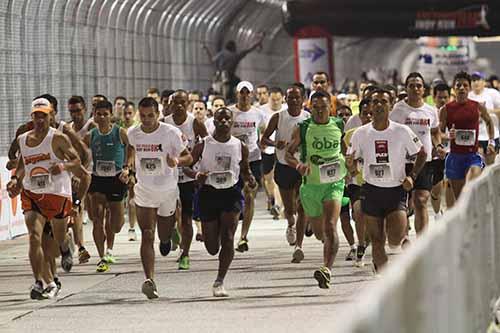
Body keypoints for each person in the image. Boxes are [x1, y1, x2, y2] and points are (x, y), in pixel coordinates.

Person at [7, 98, 90, 299]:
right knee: (35, 238)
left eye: (44, 115)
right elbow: (22, 164)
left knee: (59, 236)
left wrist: (62, 166)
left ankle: (65, 244)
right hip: (32, 193)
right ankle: (39, 282)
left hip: (57, 193)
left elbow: (77, 160)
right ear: (31, 117)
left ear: (51, 115)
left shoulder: (58, 138)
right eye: (36, 115)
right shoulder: (23, 139)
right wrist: (15, 179)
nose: (40, 119)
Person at [346, 88, 427, 272]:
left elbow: (421, 153)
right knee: (376, 239)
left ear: (390, 106)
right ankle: (382, 276)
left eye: (384, 101)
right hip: (371, 191)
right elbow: (351, 163)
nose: (379, 105)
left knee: (395, 239)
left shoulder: (401, 131)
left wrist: (412, 176)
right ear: (369, 108)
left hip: (396, 190)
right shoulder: (360, 133)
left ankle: (394, 245)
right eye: (375, 102)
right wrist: (350, 165)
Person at [126, 97, 192, 299]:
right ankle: (150, 280)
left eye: (151, 116)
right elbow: (130, 153)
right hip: (144, 190)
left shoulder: (170, 132)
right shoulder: (133, 133)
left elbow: (188, 157)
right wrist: (127, 169)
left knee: (163, 237)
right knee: (147, 233)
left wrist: (176, 161)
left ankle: (170, 233)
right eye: (143, 116)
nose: (146, 120)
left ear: (158, 114)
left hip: (167, 190)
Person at [188, 107, 256, 297]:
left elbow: (245, 169)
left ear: (232, 122)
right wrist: (196, 175)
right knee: (212, 247)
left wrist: (250, 178)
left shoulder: (239, 146)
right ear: (214, 121)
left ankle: (219, 281)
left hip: (231, 193)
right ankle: (212, 235)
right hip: (208, 193)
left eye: (227, 119)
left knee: (228, 237)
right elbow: (187, 167)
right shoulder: (203, 145)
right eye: (220, 119)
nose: (224, 122)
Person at [286, 90, 346, 289]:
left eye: (324, 107)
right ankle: (316, 229)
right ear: (309, 108)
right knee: (321, 234)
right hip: (311, 187)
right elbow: (288, 154)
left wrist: (352, 162)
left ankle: (326, 269)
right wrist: (298, 165)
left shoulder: (338, 124)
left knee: (331, 226)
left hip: (334, 183)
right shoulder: (303, 128)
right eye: (316, 108)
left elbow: (347, 150)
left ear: (331, 107)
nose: (320, 111)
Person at [390, 72, 443, 235]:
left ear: (424, 89)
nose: (415, 88)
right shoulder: (398, 110)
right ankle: (404, 236)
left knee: (421, 200)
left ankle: (422, 243)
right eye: (411, 85)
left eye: (418, 85)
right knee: (402, 204)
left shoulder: (431, 110)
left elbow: (434, 132)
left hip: (424, 162)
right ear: (406, 88)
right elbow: (391, 133)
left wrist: (438, 145)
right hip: (402, 162)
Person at [261, 85, 309, 260]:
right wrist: (275, 144)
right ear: (285, 100)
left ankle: (299, 246)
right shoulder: (278, 117)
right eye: (290, 97)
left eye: (297, 97)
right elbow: (263, 139)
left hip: (302, 166)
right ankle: (291, 224)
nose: (294, 100)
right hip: (283, 165)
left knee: (302, 206)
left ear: (303, 99)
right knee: (290, 208)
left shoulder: (308, 118)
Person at [83, 100, 130, 273]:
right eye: (98, 114)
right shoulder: (91, 135)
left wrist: (127, 168)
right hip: (97, 180)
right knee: (97, 218)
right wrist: (82, 171)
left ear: (111, 115)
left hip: (116, 179)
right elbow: (80, 153)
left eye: (105, 114)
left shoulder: (120, 132)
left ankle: (110, 242)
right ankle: (102, 256)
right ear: (94, 115)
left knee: (116, 224)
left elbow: (130, 148)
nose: (102, 117)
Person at [164, 90, 208, 270]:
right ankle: (171, 233)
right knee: (170, 215)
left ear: (188, 104)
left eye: (183, 102)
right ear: (170, 104)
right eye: (176, 103)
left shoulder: (194, 123)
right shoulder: (164, 124)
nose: (180, 106)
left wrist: (198, 161)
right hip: (168, 177)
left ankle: (185, 254)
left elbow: (207, 142)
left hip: (188, 176)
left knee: (186, 217)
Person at [439, 71, 496, 203]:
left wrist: (491, 142)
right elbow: (439, 133)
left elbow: (489, 122)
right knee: (461, 202)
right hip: (454, 158)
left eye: (465, 85)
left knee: (469, 191)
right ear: (454, 88)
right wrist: (448, 136)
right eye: (458, 85)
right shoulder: (446, 109)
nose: (462, 88)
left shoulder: (477, 106)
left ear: (469, 88)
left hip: (472, 157)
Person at [229, 81, 266, 253]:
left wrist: (266, 143)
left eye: (247, 93)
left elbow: (264, 133)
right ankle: (231, 233)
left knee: (250, 194)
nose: (244, 95)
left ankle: (243, 236)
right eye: (241, 93)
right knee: (235, 199)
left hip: (253, 158)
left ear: (252, 94)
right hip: (234, 160)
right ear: (237, 94)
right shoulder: (230, 113)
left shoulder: (258, 114)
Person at [342, 99, 372, 266]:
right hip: (357, 182)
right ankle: (360, 244)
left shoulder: (388, 132)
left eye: (371, 113)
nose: (368, 116)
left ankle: (369, 242)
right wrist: (349, 168)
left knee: (374, 220)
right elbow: (344, 156)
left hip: (380, 182)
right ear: (359, 116)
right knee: (359, 211)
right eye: (364, 114)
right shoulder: (350, 135)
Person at [67, 96, 94, 263]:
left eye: (77, 111)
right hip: (78, 176)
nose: (75, 115)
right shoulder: (67, 129)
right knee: (77, 207)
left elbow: (88, 154)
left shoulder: (91, 126)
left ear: (84, 109)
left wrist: (80, 172)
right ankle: (81, 247)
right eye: (71, 111)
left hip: (93, 173)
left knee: (95, 215)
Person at [202, 35, 265, 102]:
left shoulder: (222, 53)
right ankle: (237, 100)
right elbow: (248, 50)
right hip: (229, 76)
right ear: (234, 48)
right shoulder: (236, 55)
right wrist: (257, 43)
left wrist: (206, 49)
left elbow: (212, 60)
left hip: (219, 76)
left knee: (216, 91)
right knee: (238, 86)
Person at [259, 87, 286, 218]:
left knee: (277, 178)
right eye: (273, 100)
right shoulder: (261, 111)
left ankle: (278, 204)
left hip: (281, 148)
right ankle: (271, 197)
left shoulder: (286, 110)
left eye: (278, 99)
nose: (275, 102)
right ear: (268, 99)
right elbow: (258, 129)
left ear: (282, 99)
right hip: (267, 148)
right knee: (268, 178)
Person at [430, 83, 455, 217]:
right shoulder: (429, 112)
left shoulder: (454, 111)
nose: (443, 100)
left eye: (446, 97)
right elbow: (431, 133)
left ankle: (451, 215)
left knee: (451, 185)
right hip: (435, 156)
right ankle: (437, 214)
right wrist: (445, 136)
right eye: (440, 97)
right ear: (434, 97)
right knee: (436, 191)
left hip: (452, 154)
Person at [469, 72, 500, 165]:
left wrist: (488, 112)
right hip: (475, 136)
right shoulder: (468, 95)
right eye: (473, 80)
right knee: (477, 165)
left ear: (484, 82)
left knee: (491, 166)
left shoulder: (492, 93)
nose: (475, 82)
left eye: (478, 80)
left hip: (492, 134)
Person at [119, 102, 140, 241]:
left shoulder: (138, 128)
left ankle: (132, 228)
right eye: (125, 113)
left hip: (133, 167)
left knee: (132, 197)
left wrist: (131, 164)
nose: (127, 116)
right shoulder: (118, 128)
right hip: (119, 167)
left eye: (129, 113)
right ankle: (119, 221)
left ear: (134, 113)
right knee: (120, 199)